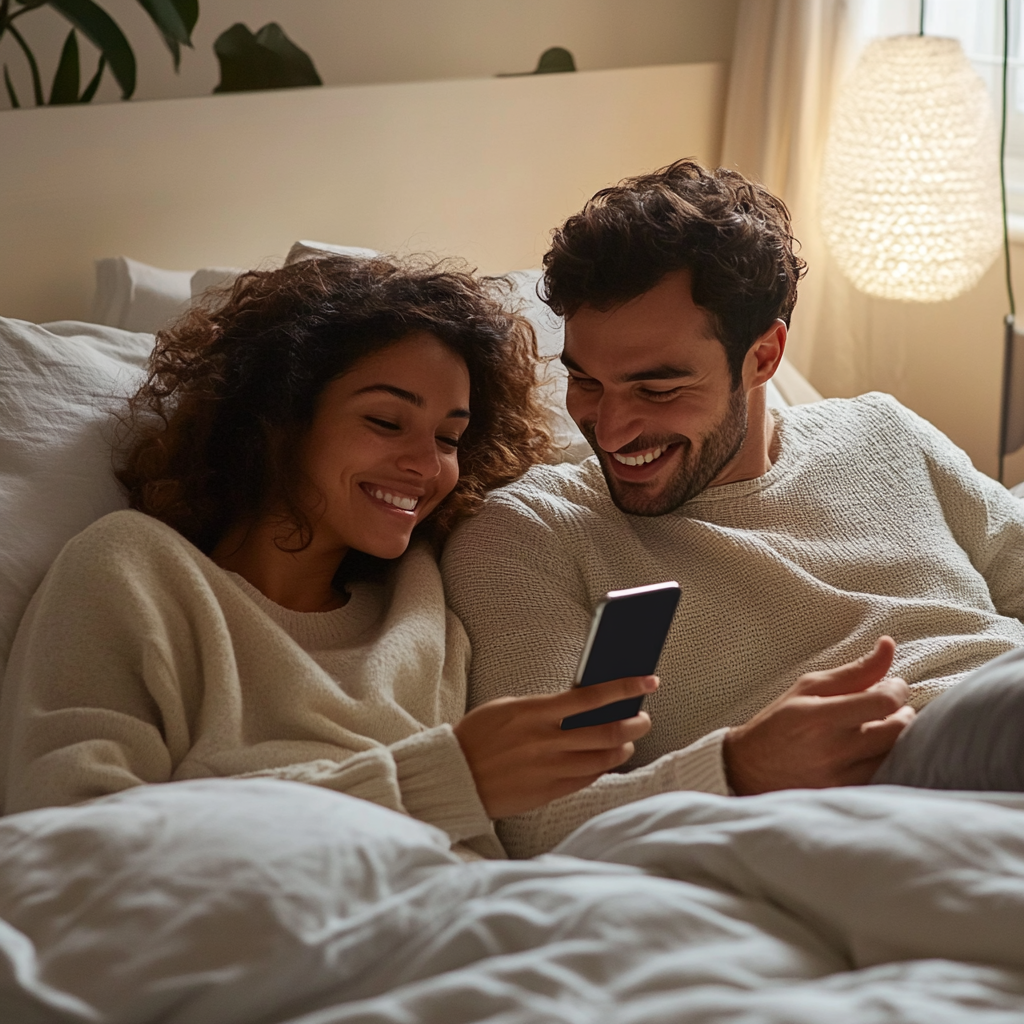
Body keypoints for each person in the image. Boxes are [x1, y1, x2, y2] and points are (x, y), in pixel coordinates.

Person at [441, 159, 1024, 859]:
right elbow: (539, 819)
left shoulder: (882, 433)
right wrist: (738, 769)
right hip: (893, 798)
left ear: (764, 357)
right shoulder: (529, 534)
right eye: (587, 382)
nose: (612, 430)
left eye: (657, 389)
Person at [0, 255, 659, 858]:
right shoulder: (134, 571)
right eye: (385, 422)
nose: (426, 464)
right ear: (278, 417)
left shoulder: (424, 605)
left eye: (449, 438)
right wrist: (443, 780)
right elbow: (75, 853)